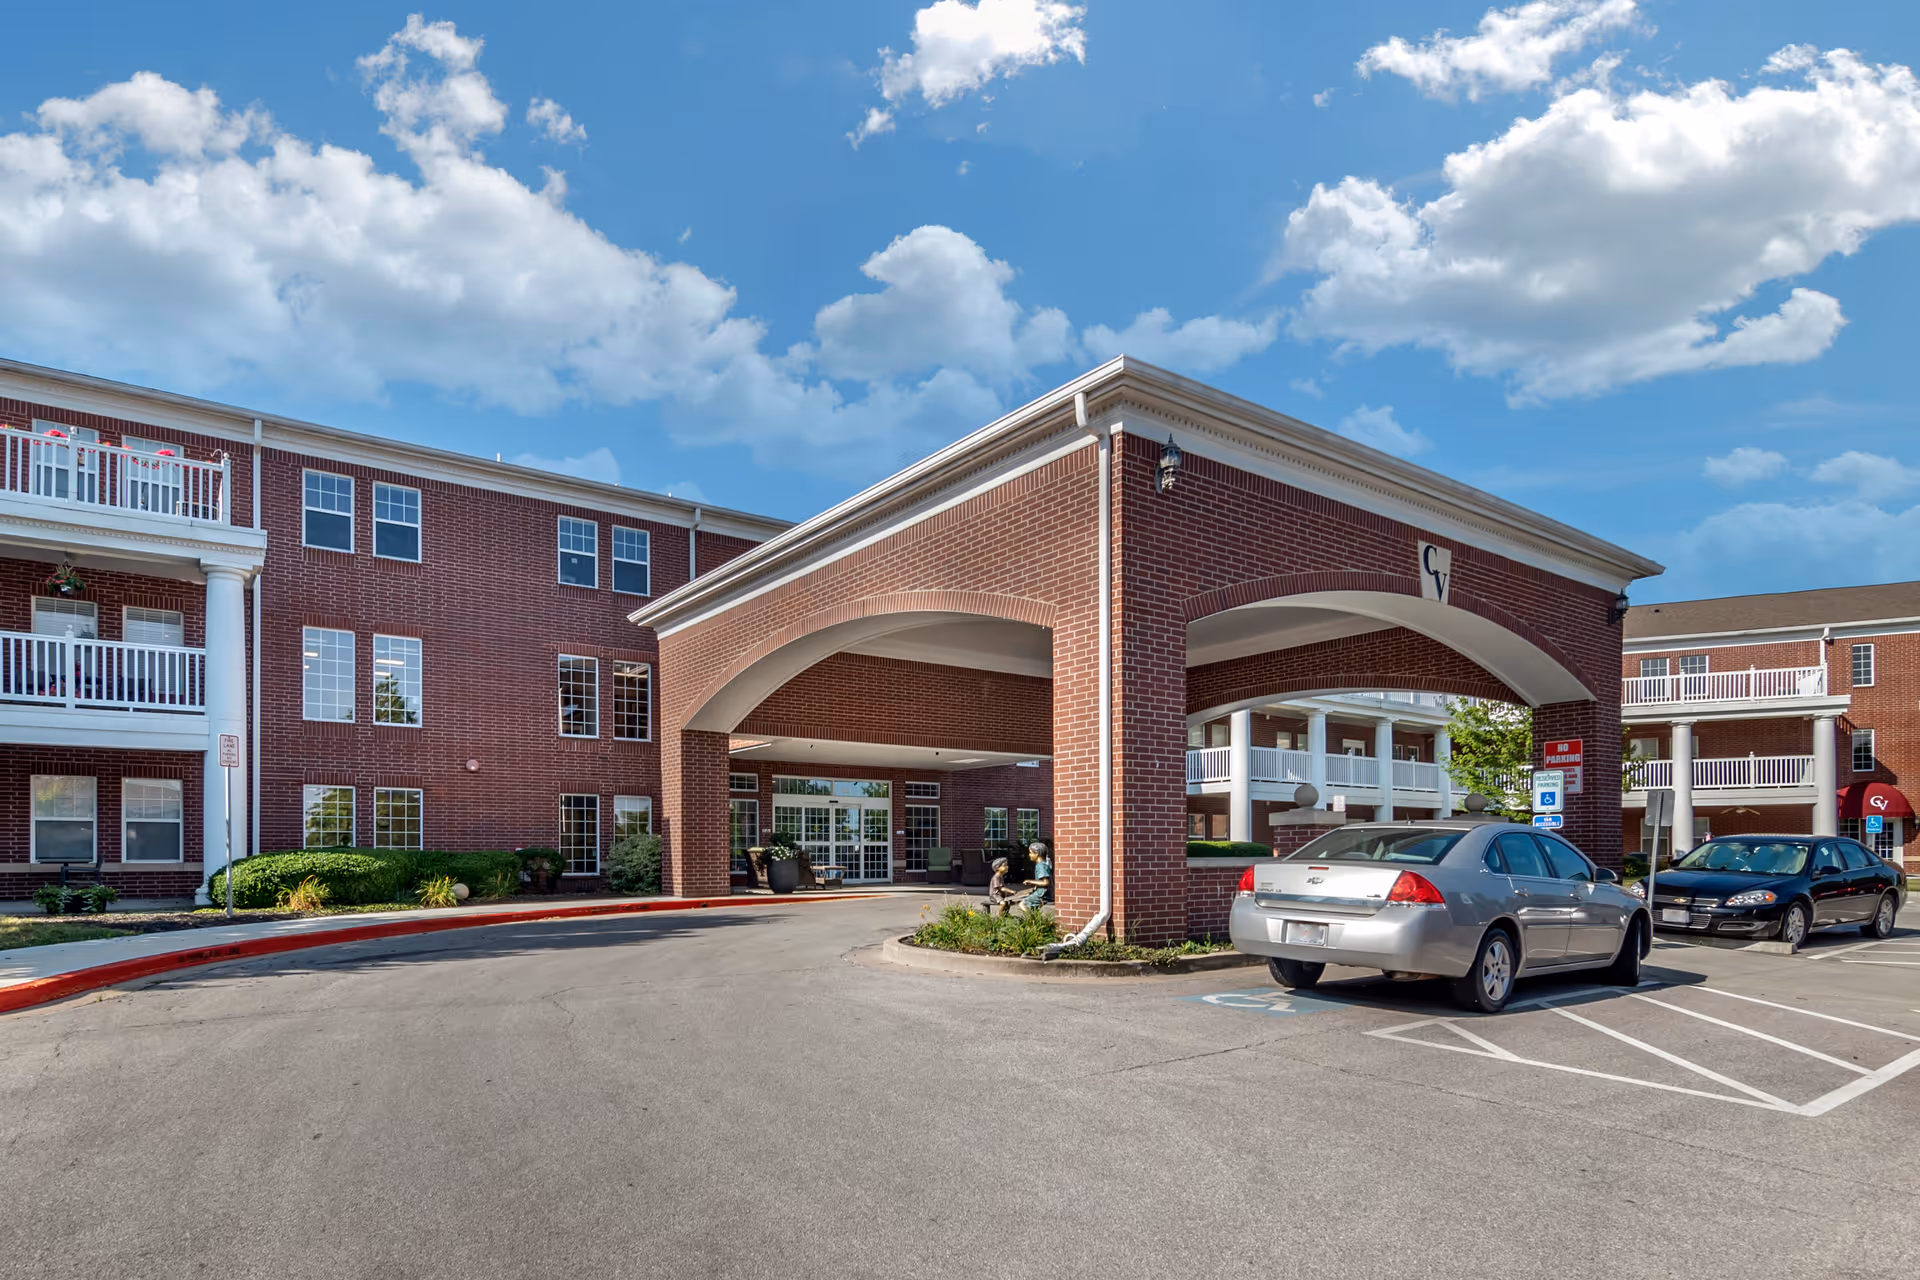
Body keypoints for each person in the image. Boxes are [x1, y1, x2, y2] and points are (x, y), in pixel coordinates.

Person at [1019, 843, 1052, 912]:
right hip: (1041, 892)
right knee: (1034, 910)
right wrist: (1035, 887)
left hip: (1041, 893)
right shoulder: (1042, 864)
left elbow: (1045, 882)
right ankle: (1035, 921)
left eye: (1031, 853)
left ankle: (1030, 920)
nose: (1029, 855)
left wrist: (1030, 881)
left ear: (1036, 854)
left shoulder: (1041, 866)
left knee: (1022, 904)